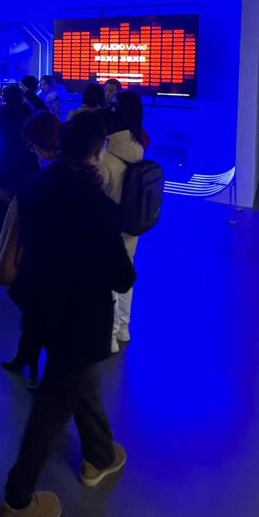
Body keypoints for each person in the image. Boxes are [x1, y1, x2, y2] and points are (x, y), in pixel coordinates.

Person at [0, 112, 134, 517]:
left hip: (40, 307)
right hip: (80, 317)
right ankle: (17, 500)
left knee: (79, 379)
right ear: (97, 151)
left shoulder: (35, 185)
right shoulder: (94, 203)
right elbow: (121, 276)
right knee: (52, 407)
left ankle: (100, 453)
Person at [0, 110, 61, 390]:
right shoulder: (66, 172)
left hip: (43, 261)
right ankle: (26, 360)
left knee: (39, 317)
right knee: (35, 317)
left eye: (33, 146)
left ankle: (37, 372)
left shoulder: (48, 179)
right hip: (46, 261)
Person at [96, 91, 146, 348]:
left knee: (107, 281)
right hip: (131, 223)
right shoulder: (137, 146)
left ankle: (109, 337)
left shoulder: (105, 159)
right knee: (125, 275)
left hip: (109, 227)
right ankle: (123, 329)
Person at [0, 84, 37, 234]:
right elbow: (43, 110)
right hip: (25, 160)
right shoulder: (27, 112)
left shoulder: (1, 112)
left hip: (2, 159)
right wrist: (29, 94)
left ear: (3, 97)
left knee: (0, 200)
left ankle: (2, 237)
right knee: (23, 199)